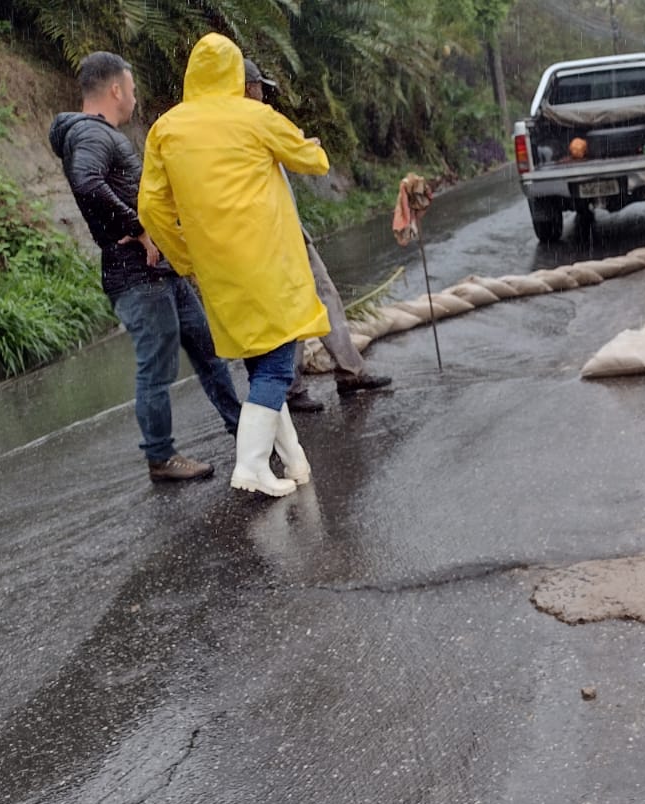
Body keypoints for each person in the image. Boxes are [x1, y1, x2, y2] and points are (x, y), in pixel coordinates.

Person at [137, 34, 328, 499]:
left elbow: (150, 208)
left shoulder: (166, 129)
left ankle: (295, 458)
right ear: (236, 77)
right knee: (279, 364)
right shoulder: (255, 116)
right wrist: (309, 145)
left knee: (260, 362)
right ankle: (250, 466)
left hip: (216, 272)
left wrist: (184, 257)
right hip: (266, 264)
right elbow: (314, 161)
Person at [50, 51, 242, 482]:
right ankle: (160, 457)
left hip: (160, 272)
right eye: (132, 89)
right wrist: (139, 228)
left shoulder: (95, 133)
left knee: (208, 349)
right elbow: (87, 181)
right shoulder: (91, 135)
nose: (135, 98)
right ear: (116, 89)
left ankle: (244, 429)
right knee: (156, 366)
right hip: (136, 275)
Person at [241, 59, 391, 413]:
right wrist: (309, 149)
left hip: (291, 233)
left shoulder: (253, 126)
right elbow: (310, 160)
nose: (264, 94)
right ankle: (291, 389)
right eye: (260, 87)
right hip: (271, 240)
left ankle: (349, 371)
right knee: (291, 312)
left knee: (323, 297)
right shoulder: (252, 123)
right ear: (248, 88)